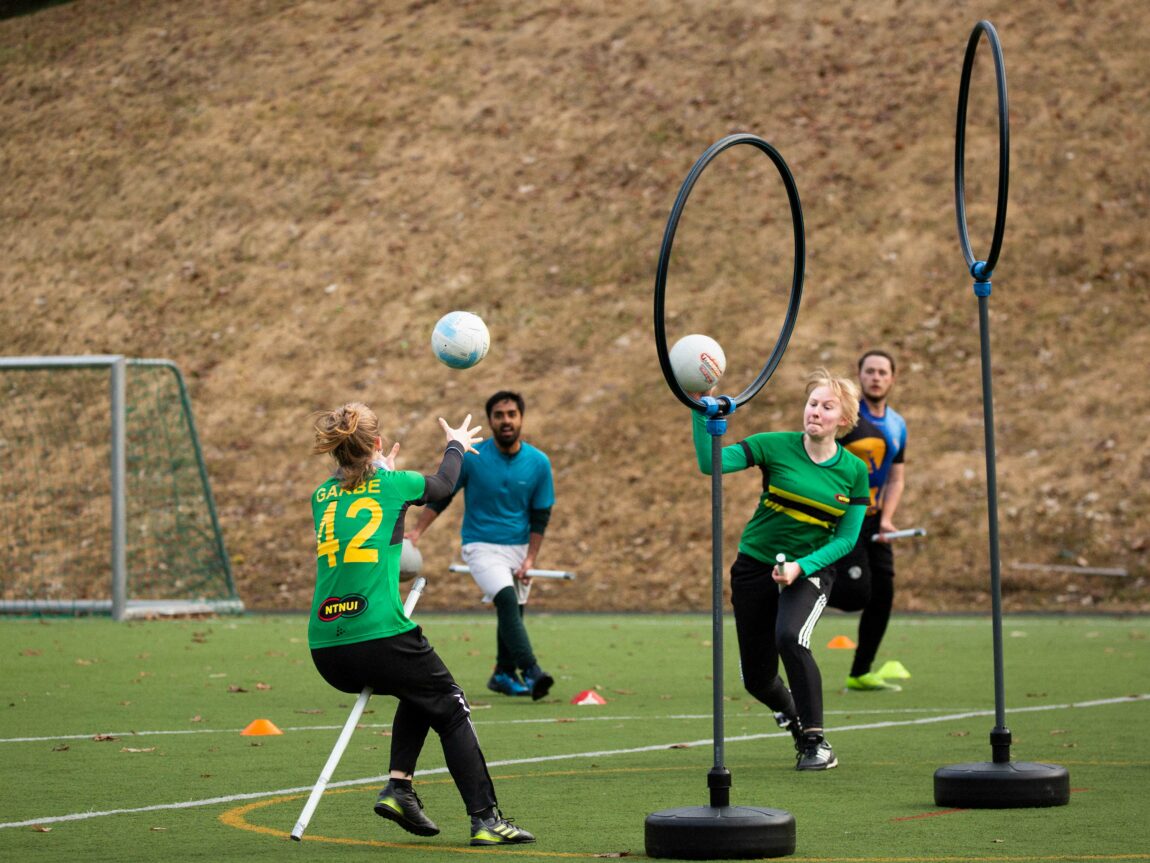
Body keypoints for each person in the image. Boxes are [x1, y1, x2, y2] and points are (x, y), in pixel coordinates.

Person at [309, 402, 535, 846]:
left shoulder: (319, 497)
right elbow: (444, 483)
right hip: (377, 634)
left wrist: (381, 477)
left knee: (419, 689)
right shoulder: (395, 485)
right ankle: (487, 820)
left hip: (326, 647)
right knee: (450, 705)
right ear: (377, 444)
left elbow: (364, 506)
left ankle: (399, 787)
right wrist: (456, 444)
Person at [690, 369, 869, 771]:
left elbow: (845, 540)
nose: (815, 412)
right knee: (757, 679)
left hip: (811, 569)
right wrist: (702, 412)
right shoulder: (775, 446)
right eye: (811, 403)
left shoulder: (854, 471)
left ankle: (816, 741)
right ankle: (791, 716)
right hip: (754, 566)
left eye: (826, 406)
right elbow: (710, 463)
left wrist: (800, 568)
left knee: (790, 636)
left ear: (843, 419)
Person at [407, 390, 556, 701]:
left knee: (514, 611)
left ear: (521, 419)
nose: (506, 421)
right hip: (480, 546)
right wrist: (418, 530)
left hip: (517, 548)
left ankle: (502, 673)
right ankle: (531, 671)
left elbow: (540, 516)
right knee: (505, 600)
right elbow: (444, 497)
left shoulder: (539, 463)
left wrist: (530, 559)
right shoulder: (474, 458)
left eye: (511, 414)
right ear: (490, 420)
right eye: (499, 415)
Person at [828, 350, 909, 692]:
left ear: (892, 378)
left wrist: (888, 519)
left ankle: (861, 671)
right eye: (870, 371)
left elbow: (895, 477)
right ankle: (798, 584)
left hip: (877, 521)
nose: (876, 377)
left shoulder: (897, 425)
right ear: (859, 377)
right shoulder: (845, 420)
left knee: (884, 593)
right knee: (855, 595)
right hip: (848, 518)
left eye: (882, 372)